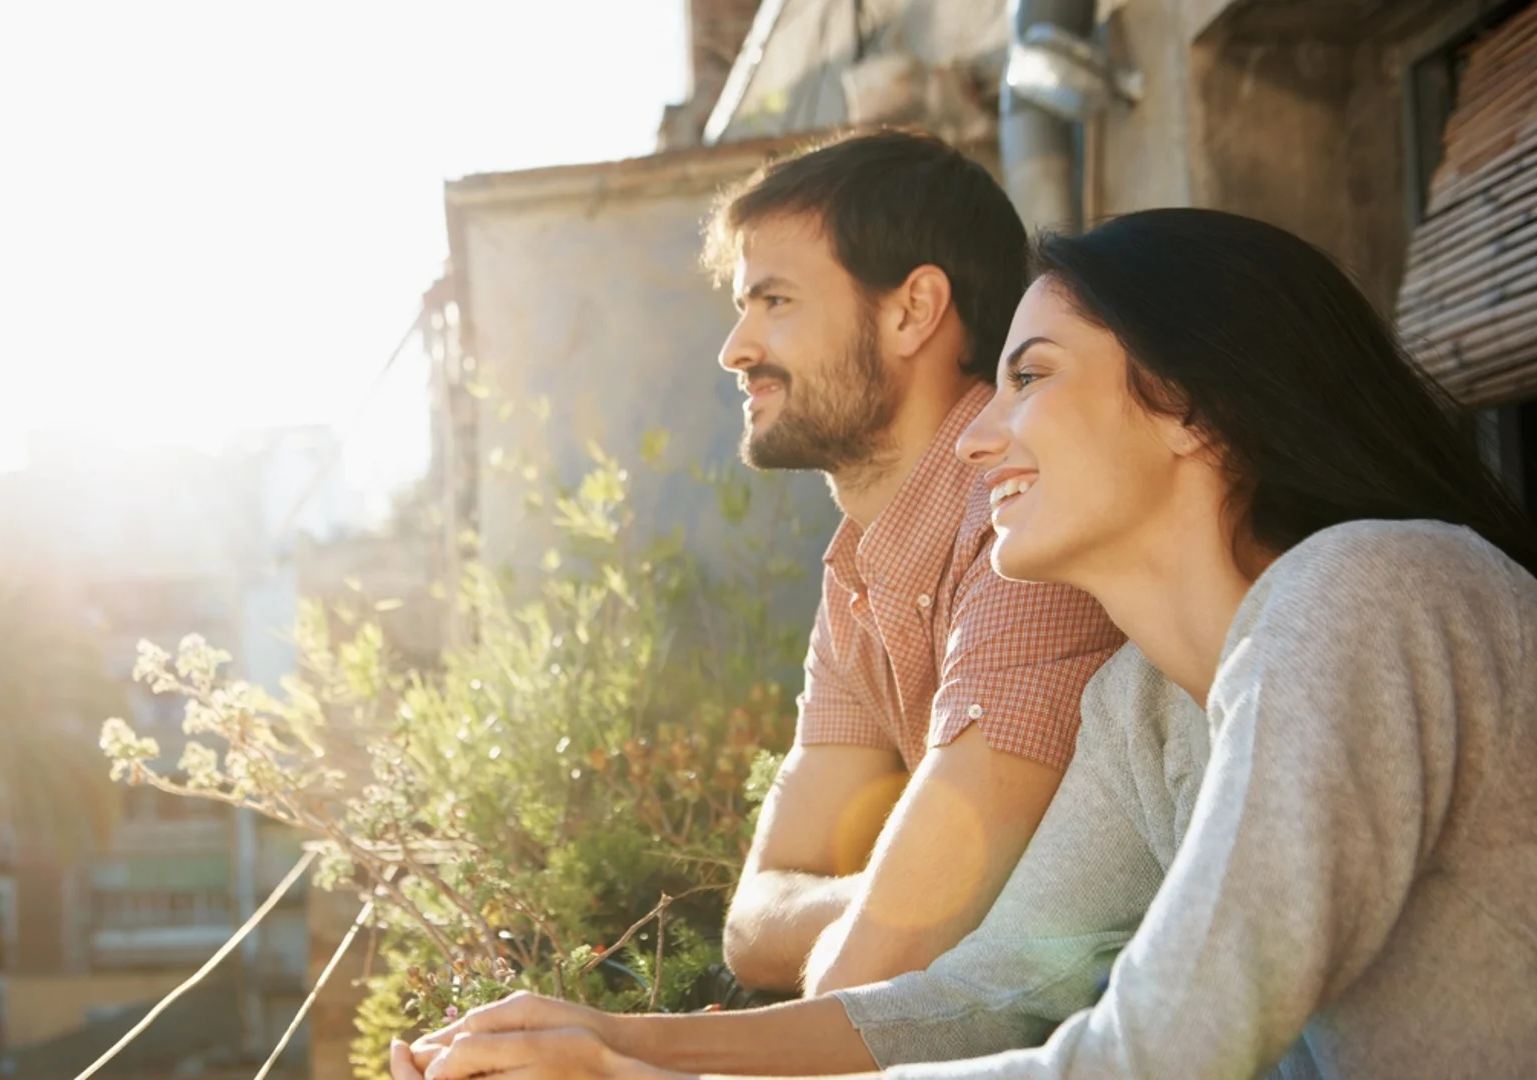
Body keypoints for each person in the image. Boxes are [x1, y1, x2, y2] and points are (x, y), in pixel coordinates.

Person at [396, 209, 1537, 1079]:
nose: (982, 435)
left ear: (1190, 405)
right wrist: (621, 1042)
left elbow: (1152, 1053)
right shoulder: (1142, 704)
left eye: (1030, 378)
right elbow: (987, 994)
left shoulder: (1375, 591)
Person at [700, 128, 1121, 998]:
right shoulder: (861, 566)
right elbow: (753, 921)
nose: (736, 349)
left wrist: (907, 909)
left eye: (774, 301)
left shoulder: (1026, 526)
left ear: (912, 311)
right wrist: (895, 896)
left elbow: (894, 955)